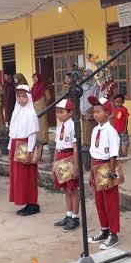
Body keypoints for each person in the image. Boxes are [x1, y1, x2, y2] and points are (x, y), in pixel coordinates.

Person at [87, 96, 121, 250]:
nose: (95, 114)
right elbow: (94, 153)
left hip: (107, 167)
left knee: (110, 202)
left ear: (107, 113)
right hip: (96, 166)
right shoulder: (95, 130)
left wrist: (111, 172)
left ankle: (113, 234)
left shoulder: (111, 131)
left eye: (98, 111)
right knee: (99, 201)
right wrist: (91, 174)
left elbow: (113, 154)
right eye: (94, 111)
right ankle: (104, 230)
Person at [8, 85, 40, 216]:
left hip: (25, 146)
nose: (21, 99)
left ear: (29, 97)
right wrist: (10, 147)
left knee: (27, 176)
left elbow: (32, 134)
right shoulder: (16, 111)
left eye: (23, 96)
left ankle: (32, 203)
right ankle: (25, 201)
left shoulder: (31, 113)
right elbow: (12, 132)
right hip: (16, 145)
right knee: (18, 177)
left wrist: (29, 152)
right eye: (19, 96)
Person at [51, 99, 80, 232]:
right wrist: (54, 164)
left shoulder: (73, 126)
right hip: (61, 157)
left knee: (73, 189)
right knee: (65, 189)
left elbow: (75, 147)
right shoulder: (59, 127)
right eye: (57, 112)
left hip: (69, 157)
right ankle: (68, 215)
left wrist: (75, 166)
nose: (59, 115)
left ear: (70, 112)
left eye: (61, 112)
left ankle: (75, 217)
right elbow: (57, 147)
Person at [80, 66, 100, 148]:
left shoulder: (95, 86)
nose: (85, 77)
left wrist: (92, 110)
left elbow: (97, 98)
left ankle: (91, 145)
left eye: (87, 75)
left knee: (91, 129)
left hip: (91, 111)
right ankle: (85, 144)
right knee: (85, 129)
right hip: (83, 111)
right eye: (84, 75)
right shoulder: (81, 86)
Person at [31, 73, 49, 147]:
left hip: (42, 106)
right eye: (33, 77)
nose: (34, 79)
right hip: (35, 107)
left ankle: (44, 139)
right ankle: (38, 138)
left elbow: (48, 97)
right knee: (36, 122)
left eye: (36, 77)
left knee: (43, 122)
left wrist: (45, 104)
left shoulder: (43, 85)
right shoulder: (34, 86)